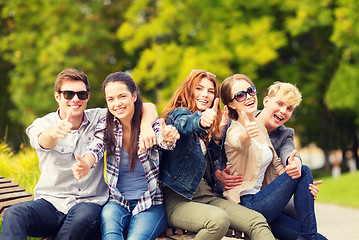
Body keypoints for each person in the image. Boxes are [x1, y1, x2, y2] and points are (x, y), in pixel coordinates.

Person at [1, 68, 158, 240]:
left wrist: (145, 126)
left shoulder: (101, 117)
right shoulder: (44, 124)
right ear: (57, 96)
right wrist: (54, 133)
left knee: (82, 217)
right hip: (52, 204)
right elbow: (42, 140)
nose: (75, 99)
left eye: (81, 94)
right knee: (14, 213)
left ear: (87, 97)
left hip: (89, 204)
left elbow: (145, 106)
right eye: (68, 94)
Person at [160, 70, 275, 240]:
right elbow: (187, 124)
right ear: (188, 90)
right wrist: (200, 121)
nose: (205, 95)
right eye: (199, 89)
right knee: (218, 220)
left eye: (211, 91)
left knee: (257, 221)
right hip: (179, 202)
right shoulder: (177, 115)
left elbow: (206, 161)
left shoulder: (205, 133)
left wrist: (217, 136)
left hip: (206, 197)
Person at [72, 71, 180, 240]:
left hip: (150, 203)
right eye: (111, 99)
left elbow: (163, 139)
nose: (117, 104)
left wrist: (167, 138)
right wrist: (86, 163)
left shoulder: (149, 125)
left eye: (122, 96)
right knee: (110, 234)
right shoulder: (107, 125)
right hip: (117, 202)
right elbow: (96, 147)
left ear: (134, 96)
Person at [220, 74, 327, 240]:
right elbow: (236, 141)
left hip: (265, 200)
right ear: (266, 101)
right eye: (280, 104)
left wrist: (301, 179)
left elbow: (287, 154)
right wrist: (218, 173)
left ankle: (309, 236)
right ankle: (309, 236)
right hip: (246, 204)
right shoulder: (232, 127)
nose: (283, 111)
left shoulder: (270, 129)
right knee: (304, 172)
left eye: (289, 108)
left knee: (320, 238)